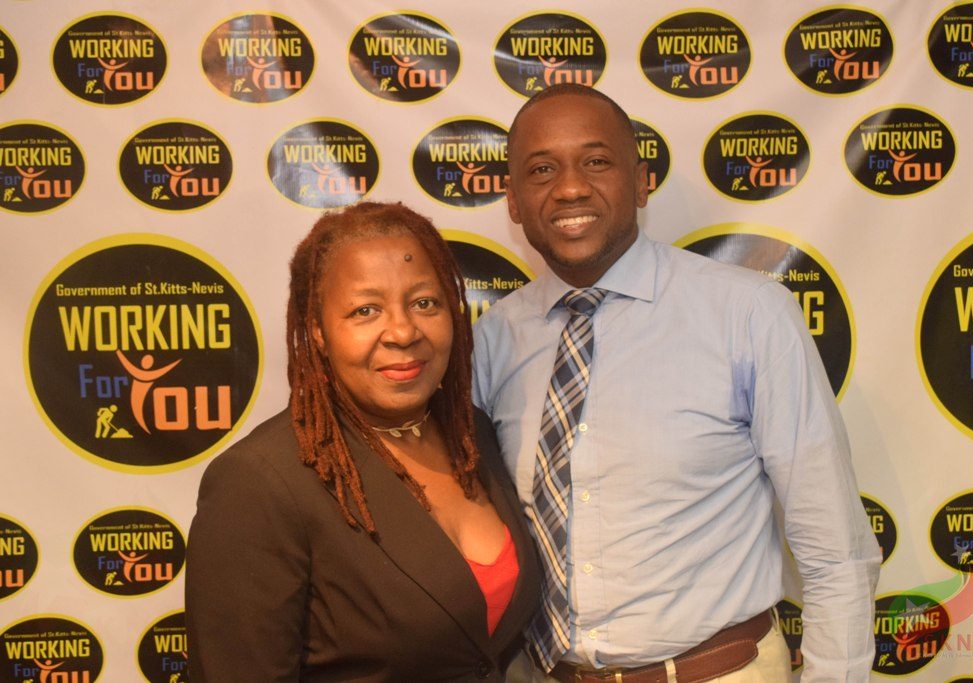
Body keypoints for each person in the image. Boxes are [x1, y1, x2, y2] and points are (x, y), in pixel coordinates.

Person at [472, 84, 881, 682]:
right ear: (512, 200)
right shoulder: (494, 339)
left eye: (596, 161)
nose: (570, 188)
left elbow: (835, 550)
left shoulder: (747, 314)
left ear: (641, 183)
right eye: (541, 169)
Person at [186, 202, 541, 681]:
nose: (403, 331)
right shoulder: (258, 483)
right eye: (365, 310)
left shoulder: (470, 432)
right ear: (318, 331)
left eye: (424, 303)